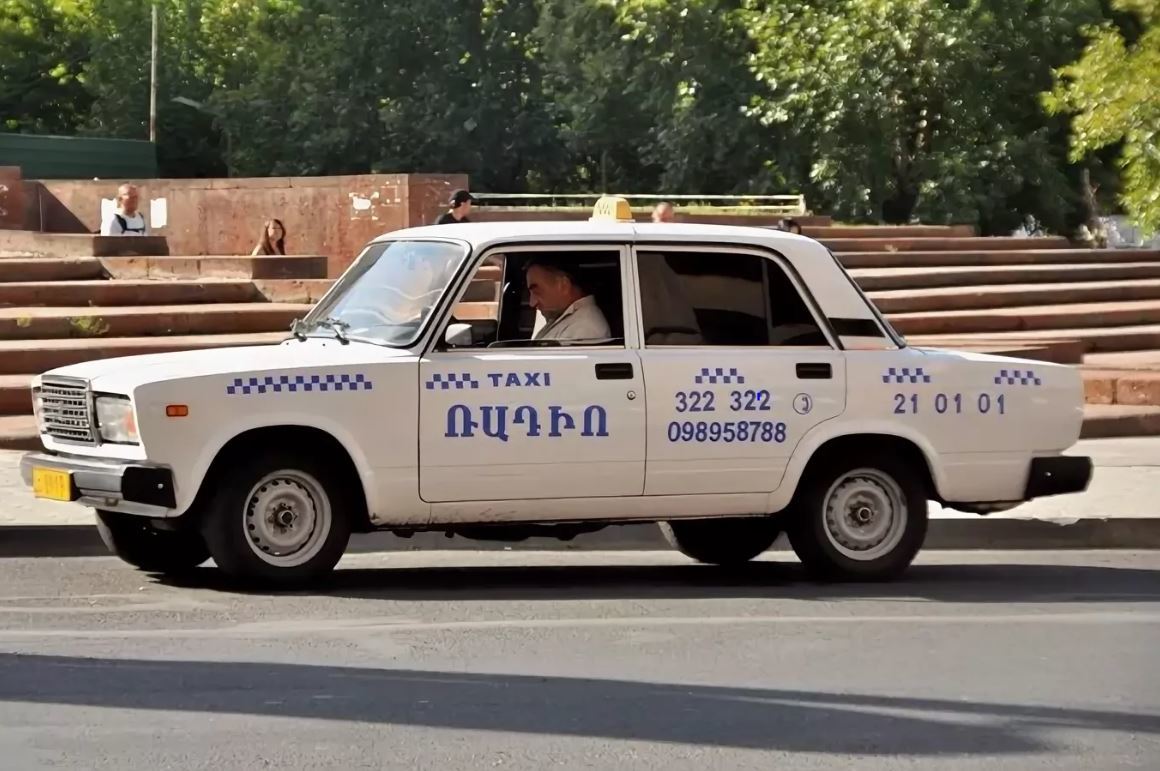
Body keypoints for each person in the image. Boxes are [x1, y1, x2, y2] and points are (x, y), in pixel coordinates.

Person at [525, 257, 611, 342]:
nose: (532, 303)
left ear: (564, 285)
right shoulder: (570, 320)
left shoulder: (585, 329)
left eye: (536, 291)